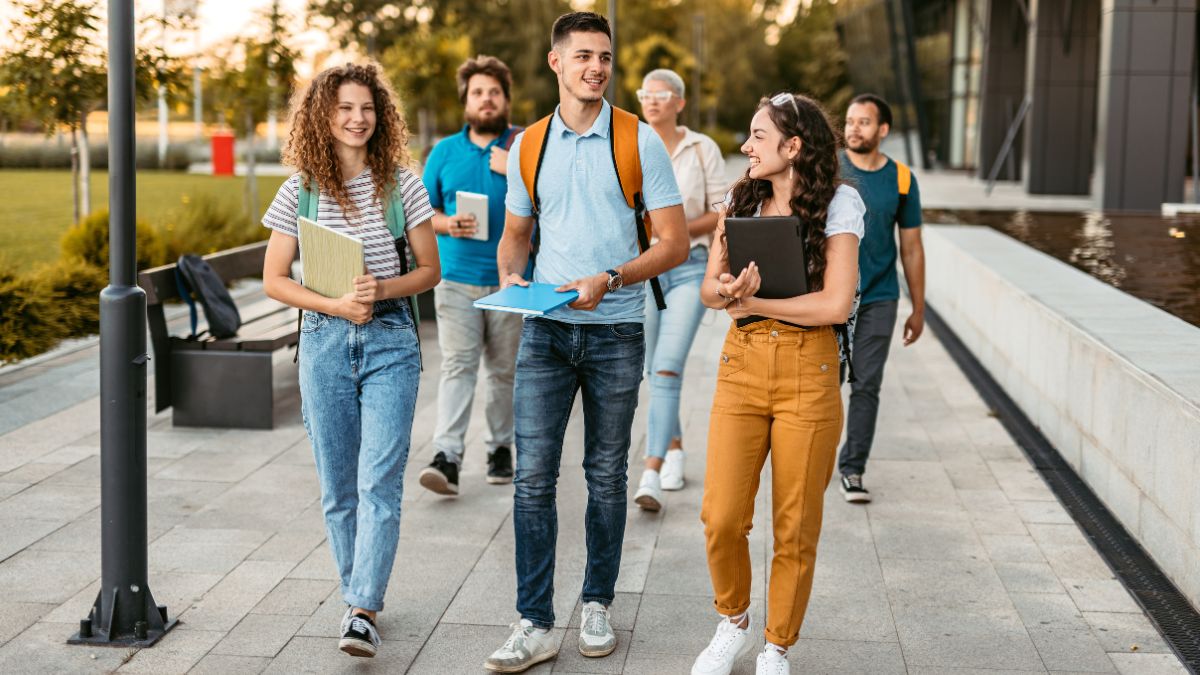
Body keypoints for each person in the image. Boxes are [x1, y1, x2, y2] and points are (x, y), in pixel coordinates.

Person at [483, 12, 688, 673]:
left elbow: (674, 244)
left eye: (604, 56)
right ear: (556, 63)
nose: (596, 67)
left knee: (605, 477)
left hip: (617, 331)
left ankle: (597, 601)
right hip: (544, 330)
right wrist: (511, 274)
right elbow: (516, 233)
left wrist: (612, 277)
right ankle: (535, 621)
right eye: (583, 56)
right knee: (531, 479)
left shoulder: (637, 140)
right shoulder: (529, 145)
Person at [260, 62, 439, 659]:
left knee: (378, 483)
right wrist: (334, 303)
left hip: (390, 340)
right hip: (324, 343)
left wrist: (378, 293)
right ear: (322, 116)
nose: (357, 119)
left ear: (381, 115)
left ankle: (362, 609)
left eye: (367, 108)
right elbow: (274, 280)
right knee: (338, 487)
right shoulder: (300, 190)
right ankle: (354, 598)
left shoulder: (401, 185)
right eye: (344, 109)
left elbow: (428, 271)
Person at [691, 93, 865, 675]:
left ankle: (777, 645)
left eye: (757, 136)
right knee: (720, 515)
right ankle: (734, 621)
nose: (746, 147)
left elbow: (836, 304)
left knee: (794, 524)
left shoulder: (840, 203)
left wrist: (753, 300)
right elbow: (709, 290)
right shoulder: (740, 197)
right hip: (741, 368)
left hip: (808, 373)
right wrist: (729, 294)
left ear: (793, 147)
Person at [417, 55, 523, 496]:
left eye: (494, 92)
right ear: (466, 100)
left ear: (505, 100)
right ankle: (448, 457)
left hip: (510, 281)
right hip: (456, 279)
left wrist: (513, 168)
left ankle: (500, 448)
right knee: (459, 366)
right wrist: (446, 224)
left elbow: (549, 203)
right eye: (478, 92)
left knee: (502, 373)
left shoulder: (523, 148)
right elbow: (421, 214)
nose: (486, 100)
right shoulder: (443, 152)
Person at [632, 68, 727, 511]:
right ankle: (673, 449)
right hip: (645, 270)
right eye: (645, 94)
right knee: (652, 367)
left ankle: (650, 470)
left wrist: (674, 231)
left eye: (661, 94)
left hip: (689, 268)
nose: (651, 101)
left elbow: (720, 210)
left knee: (668, 367)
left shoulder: (700, 147)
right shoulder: (632, 142)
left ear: (679, 102)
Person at [837, 93, 925, 503]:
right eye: (850, 121)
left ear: (882, 130)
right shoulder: (830, 168)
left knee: (866, 384)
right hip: (830, 297)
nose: (854, 128)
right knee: (824, 382)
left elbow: (911, 247)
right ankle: (814, 458)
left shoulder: (903, 179)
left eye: (864, 122)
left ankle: (852, 468)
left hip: (880, 297)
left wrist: (918, 308)